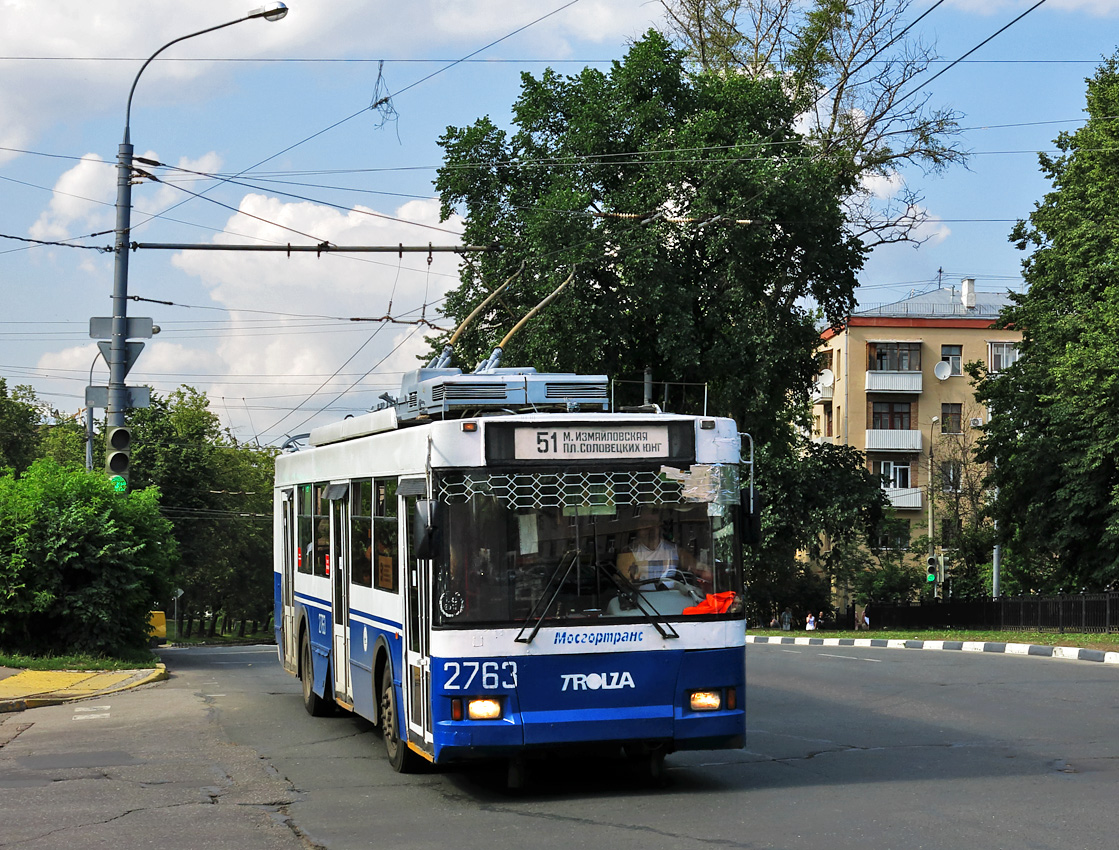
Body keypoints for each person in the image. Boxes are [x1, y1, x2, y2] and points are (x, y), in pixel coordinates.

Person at [616, 510, 704, 587]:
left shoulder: (674, 550)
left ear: (659, 526)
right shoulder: (629, 552)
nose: (650, 528)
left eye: (653, 523)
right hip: (641, 600)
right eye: (645, 523)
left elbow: (698, 569)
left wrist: (705, 572)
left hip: (671, 599)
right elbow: (624, 582)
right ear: (639, 527)